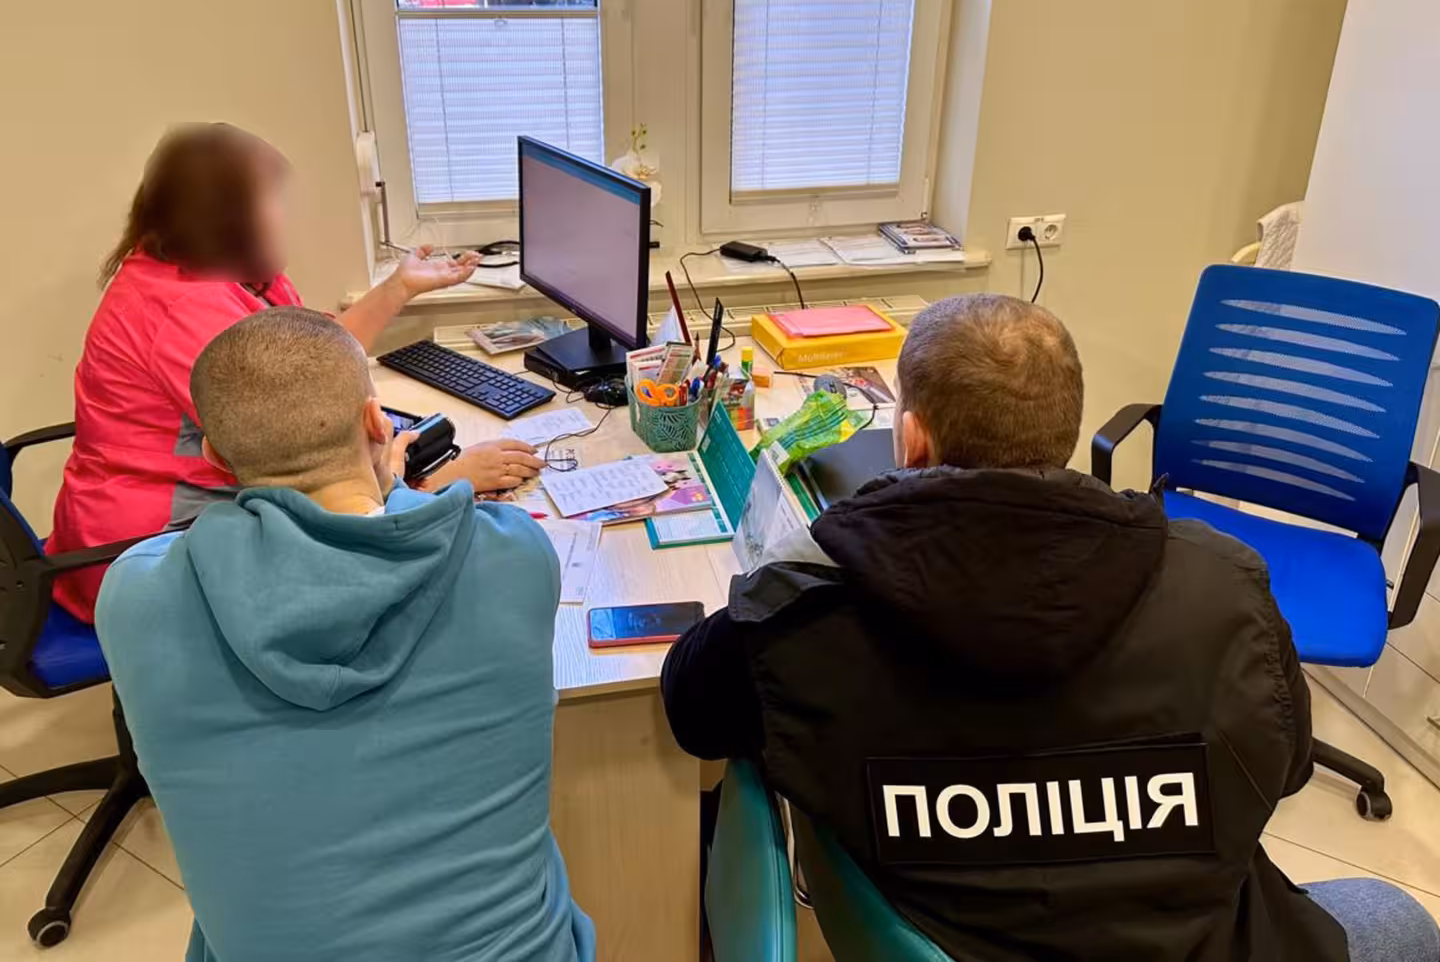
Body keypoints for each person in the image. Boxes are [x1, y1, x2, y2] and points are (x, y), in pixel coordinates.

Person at [662, 294, 1440, 962]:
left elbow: (692, 705)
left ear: (913, 441)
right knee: (1401, 916)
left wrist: (816, 547)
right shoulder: (1224, 584)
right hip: (1197, 941)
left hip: (952, 941)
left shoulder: (811, 616)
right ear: (1064, 435)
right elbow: (1289, 767)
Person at [95, 307, 593, 962]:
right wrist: (410, 490)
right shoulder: (513, 554)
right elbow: (398, 545)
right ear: (378, 423)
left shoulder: (137, 596)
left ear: (214, 457)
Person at [48, 122, 543, 622]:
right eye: (270, 200)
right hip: (149, 555)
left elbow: (315, 359)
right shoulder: (186, 312)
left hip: (165, 519)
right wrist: (435, 488)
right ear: (229, 216)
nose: (282, 216)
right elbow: (301, 457)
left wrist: (400, 287)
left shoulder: (208, 274)